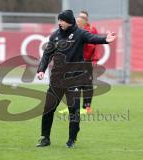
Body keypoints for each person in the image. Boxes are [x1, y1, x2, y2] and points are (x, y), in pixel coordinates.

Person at [36, 10, 116, 148]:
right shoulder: (55, 35)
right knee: (48, 109)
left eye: (62, 20)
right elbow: (46, 54)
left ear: (69, 21)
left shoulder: (79, 33)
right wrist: (41, 69)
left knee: (74, 111)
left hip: (74, 78)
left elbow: (93, 38)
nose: (59, 23)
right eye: (59, 20)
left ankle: (72, 139)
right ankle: (45, 138)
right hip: (57, 79)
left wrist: (105, 40)